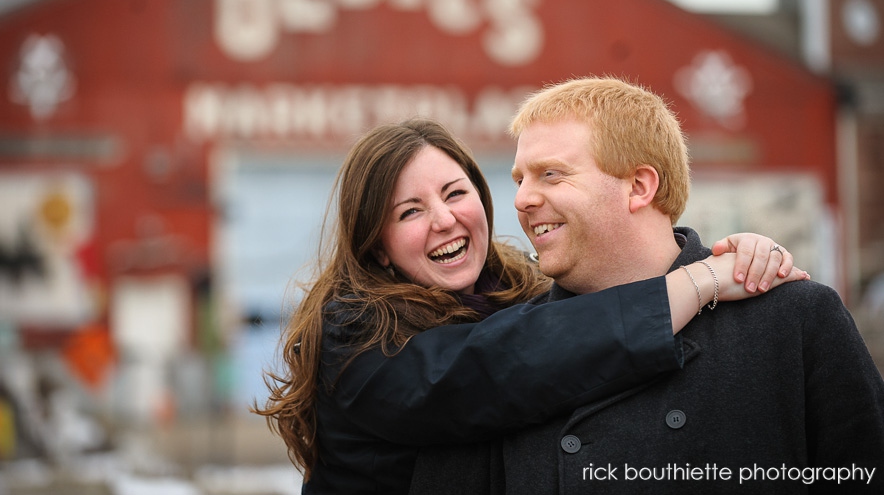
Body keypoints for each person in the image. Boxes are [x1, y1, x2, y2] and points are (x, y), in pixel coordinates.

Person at [253, 118, 806, 494]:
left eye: (454, 192)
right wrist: (702, 281)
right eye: (409, 212)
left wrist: (740, 257)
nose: (444, 219)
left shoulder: (527, 290)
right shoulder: (356, 336)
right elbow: (498, 367)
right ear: (377, 244)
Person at [409, 77, 884, 494]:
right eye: (519, 180)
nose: (523, 199)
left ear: (639, 186)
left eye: (550, 174)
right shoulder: (496, 346)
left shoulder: (794, 322)